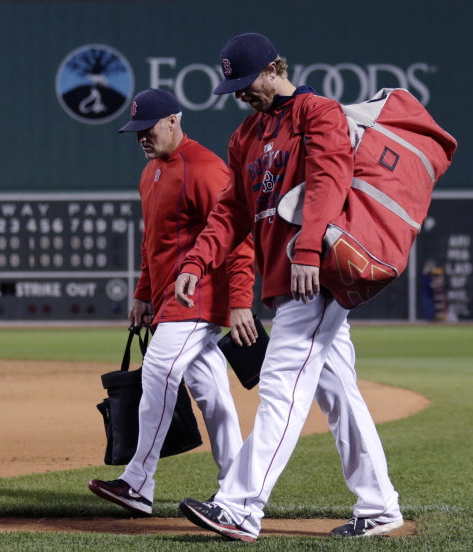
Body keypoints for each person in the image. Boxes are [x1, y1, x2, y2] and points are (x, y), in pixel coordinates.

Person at [173, 33, 404, 541]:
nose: (239, 93)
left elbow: (329, 180)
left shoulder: (317, 112)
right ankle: (380, 506)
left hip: (314, 275)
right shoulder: (245, 136)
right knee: (339, 393)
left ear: (272, 69)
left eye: (244, 82)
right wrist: (197, 261)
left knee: (282, 388)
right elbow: (232, 210)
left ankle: (241, 505)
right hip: (282, 279)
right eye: (232, 85)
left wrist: (307, 250)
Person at [88, 88, 258, 517]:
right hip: (168, 302)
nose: (142, 137)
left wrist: (240, 302)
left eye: (148, 129)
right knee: (215, 398)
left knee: (159, 371)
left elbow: (238, 238)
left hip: (200, 299)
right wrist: (143, 293)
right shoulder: (150, 173)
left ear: (173, 120)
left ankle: (138, 481)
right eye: (135, 132)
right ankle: (237, 491)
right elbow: (153, 245)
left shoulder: (205, 169)